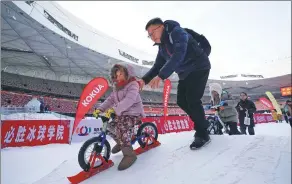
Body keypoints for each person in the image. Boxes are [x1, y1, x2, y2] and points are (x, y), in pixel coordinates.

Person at [138, 18, 211, 149]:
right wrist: (144, 80)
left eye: (152, 33)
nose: (151, 37)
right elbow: (157, 66)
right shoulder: (162, 48)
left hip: (199, 67)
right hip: (185, 73)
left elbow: (179, 55)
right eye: (148, 35)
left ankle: (202, 133)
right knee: (182, 101)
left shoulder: (177, 32)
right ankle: (203, 124)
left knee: (193, 99)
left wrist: (161, 76)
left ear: (160, 27)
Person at [93, 63, 145, 171]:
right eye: (116, 75)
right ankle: (122, 143)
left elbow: (129, 100)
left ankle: (130, 154)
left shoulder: (133, 85)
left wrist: (115, 109)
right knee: (109, 126)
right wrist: (101, 109)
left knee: (121, 126)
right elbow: (110, 100)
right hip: (122, 113)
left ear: (127, 73)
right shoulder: (116, 87)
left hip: (134, 113)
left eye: (121, 74)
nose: (118, 77)